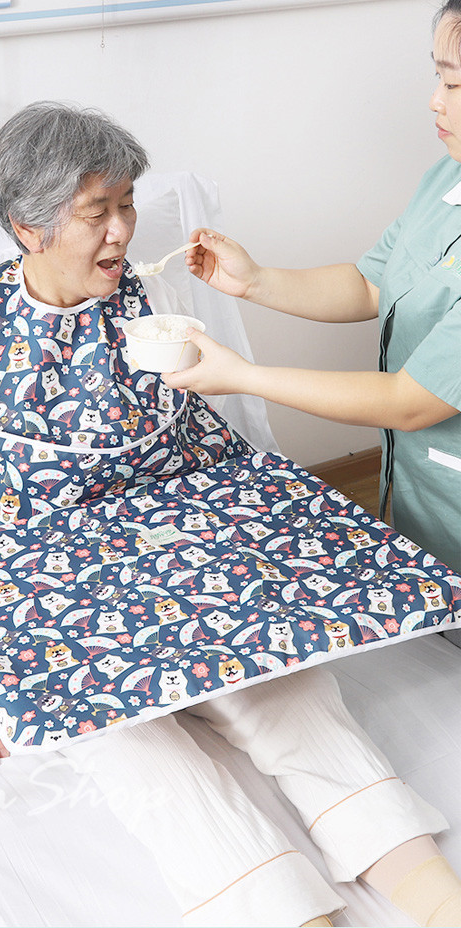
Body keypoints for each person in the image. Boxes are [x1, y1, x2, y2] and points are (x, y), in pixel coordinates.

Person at [0, 102, 461, 927]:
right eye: (97, 213)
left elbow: (213, 440)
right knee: (155, 766)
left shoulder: (157, 302)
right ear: (27, 227)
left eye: (127, 204)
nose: (122, 231)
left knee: (297, 705)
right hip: (51, 606)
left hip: (186, 569)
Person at [163, 3, 461, 582]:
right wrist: (255, 281)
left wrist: (242, 375)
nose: (433, 98)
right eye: (437, 76)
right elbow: (371, 282)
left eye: (453, 81)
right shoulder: (446, 177)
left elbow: (411, 401)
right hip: (422, 495)